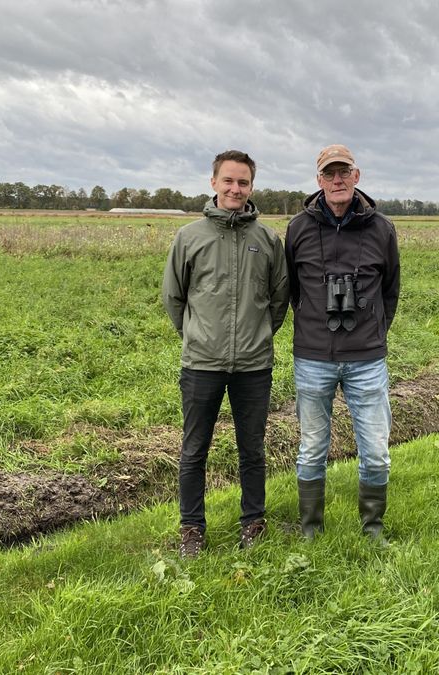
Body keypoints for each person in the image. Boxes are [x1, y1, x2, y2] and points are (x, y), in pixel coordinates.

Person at [162, 150, 290, 557]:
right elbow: (174, 297)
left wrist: (259, 334)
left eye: (244, 182)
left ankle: (253, 522)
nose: (236, 189)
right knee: (194, 448)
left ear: (252, 187)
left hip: (254, 365)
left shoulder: (268, 241)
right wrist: (197, 335)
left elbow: (279, 298)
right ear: (214, 182)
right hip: (202, 363)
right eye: (229, 181)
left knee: (251, 449)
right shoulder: (189, 237)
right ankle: (191, 530)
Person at [285, 144, 400, 541]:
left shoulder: (381, 229)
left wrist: (373, 333)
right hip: (313, 356)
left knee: (376, 450)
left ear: (357, 176)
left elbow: (391, 291)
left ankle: (372, 528)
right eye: (329, 173)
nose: (337, 180)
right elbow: (289, 288)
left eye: (344, 172)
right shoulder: (298, 229)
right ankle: (311, 529)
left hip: (367, 359)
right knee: (312, 447)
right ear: (318, 180)